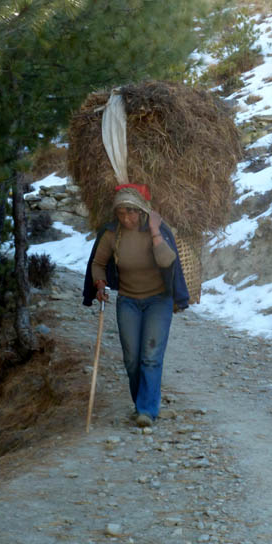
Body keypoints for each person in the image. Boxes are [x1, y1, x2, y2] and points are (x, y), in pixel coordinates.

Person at [83, 183, 189, 428]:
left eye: (131, 212)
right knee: (132, 358)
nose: (126, 218)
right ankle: (141, 403)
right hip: (128, 300)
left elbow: (166, 261)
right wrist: (99, 283)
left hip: (158, 300)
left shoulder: (158, 230)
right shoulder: (111, 234)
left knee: (150, 356)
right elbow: (98, 263)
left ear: (142, 211)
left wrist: (154, 231)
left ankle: (146, 410)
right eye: (121, 213)